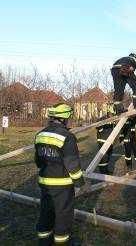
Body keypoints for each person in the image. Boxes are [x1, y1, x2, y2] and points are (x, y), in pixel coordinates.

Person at [34, 103, 86, 245]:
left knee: (46, 212)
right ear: (64, 118)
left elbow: (38, 161)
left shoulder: (40, 134)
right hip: (62, 184)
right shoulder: (67, 136)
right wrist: (80, 183)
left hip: (44, 182)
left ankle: (44, 241)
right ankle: (62, 242)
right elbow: (72, 163)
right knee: (63, 214)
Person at [96, 105, 116, 174]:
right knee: (103, 158)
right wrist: (101, 129)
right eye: (112, 114)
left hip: (110, 141)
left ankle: (106, 170)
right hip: (103, 140)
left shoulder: (113, 119)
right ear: (108, 112)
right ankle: (103, 172)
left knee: (108, 157)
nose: (112, 115)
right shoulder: (103, 118)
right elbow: (97, 126)